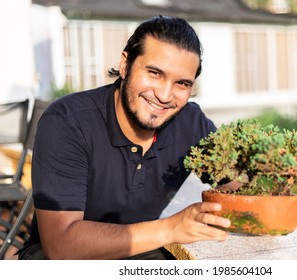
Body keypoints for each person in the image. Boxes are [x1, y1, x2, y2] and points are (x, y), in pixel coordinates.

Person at [18, 15, 231, 260]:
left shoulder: (189, 121)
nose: (164, 95)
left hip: (142, 249)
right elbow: (61, 246)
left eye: (181, 83)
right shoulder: (67, 122)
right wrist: (172, 228)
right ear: (125, 64)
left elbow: (238, 182)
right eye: (154, 73)